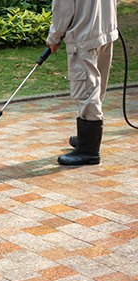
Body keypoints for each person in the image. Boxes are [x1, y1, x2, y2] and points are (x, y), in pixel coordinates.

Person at [46, 0, 121, 165]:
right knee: (96, 88)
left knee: (87, 91)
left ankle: (88, 151)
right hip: (105, 32)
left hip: (84, 37)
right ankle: (87, 139)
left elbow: (63, 8)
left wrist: (54, 37)